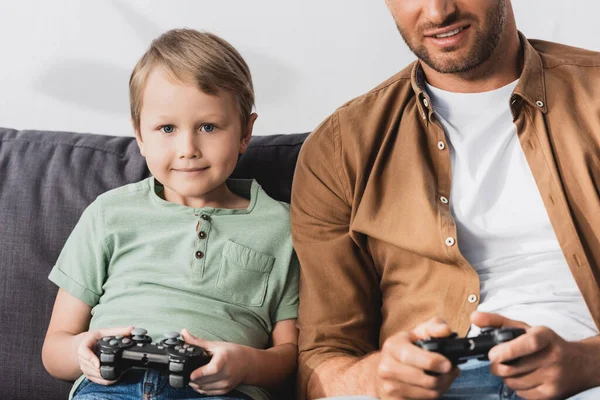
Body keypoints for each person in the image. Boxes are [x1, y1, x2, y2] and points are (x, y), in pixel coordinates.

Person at [290, 0, 600, 399]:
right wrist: (376, 376)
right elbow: (323, 359)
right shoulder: (339, 148)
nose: (438, 12)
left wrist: (586, 363)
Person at [41, 28, 299, 400]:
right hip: (112, 388)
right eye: (166, 128)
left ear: (245, 132)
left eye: (208, 127)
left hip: (220, 391)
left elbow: (290, 357)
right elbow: (54, 350)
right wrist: (82, 350)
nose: (187, 148)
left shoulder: (284, 227)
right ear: (140, 136)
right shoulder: (109, 213)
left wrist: (245, 364)